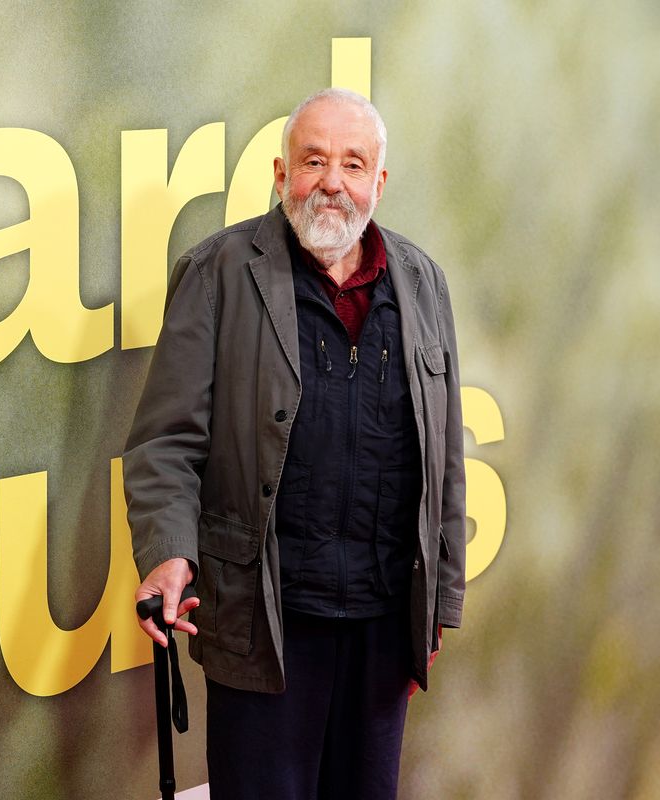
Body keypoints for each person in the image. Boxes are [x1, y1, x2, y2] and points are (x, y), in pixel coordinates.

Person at [123, 88, 466, 800]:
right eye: (312, 162)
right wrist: (166, 553)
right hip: (263, 625)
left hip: (380, 626)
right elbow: (165, 441)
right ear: (282, 176)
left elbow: (443, 458)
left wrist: (440, 595)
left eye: (351, 163)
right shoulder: (216, 273)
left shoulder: (424, 284)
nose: (331, 182)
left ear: (379, 181)